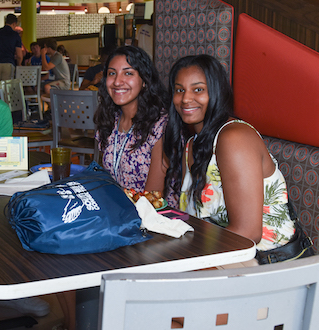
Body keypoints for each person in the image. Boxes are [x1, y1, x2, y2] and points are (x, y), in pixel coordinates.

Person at [163, 54, 295, 253]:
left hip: (267, 264)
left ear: (216, 92)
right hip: (224, 256)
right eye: (179, 90)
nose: (185, 99)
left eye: (198, 89)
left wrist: (186, 256)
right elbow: (193, 220)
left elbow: (248, 233)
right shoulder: (191, 146)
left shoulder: (234, 138)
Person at [94, 46, 175, 205]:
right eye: (112, 73)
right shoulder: (110, 119)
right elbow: (102, 177)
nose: (117, 81)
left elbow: (153, 197)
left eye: (128, 73)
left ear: (144, 80)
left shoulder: (161, 125)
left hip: (155, 219)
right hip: (117, 208)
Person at [0, 13, 23, 97]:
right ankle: (5, 108)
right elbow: (19, 55)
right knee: (6, 90)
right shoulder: (15, 35)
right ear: (14, 23)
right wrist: (19, 64)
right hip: (8, 64)